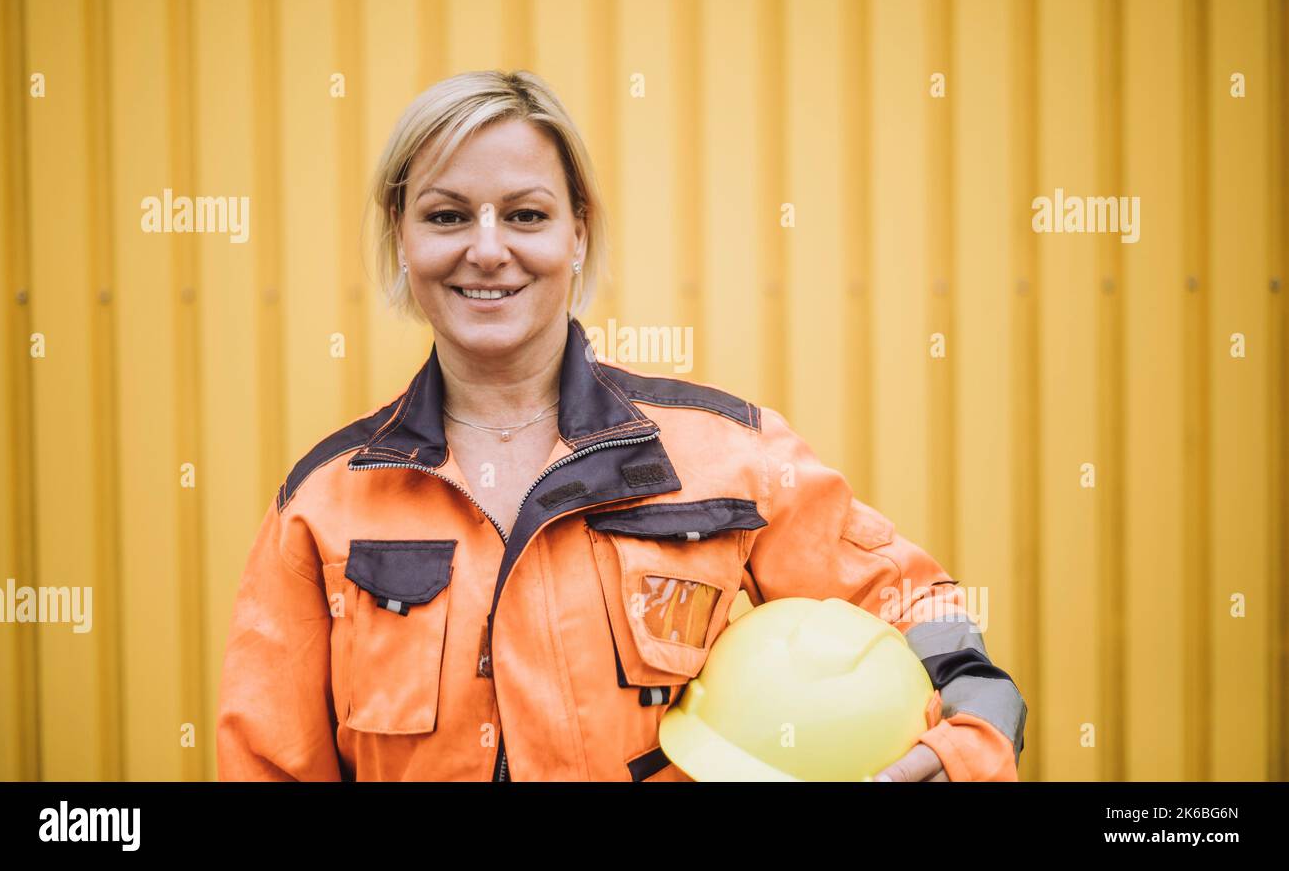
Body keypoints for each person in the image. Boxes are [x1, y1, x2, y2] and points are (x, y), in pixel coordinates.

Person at [215, 69, 1027, 782]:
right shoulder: (326, 504)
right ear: (403, 239)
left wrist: (969, 742)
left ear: (580, 234)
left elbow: (916, 605)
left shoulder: (723, 456)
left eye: (527, 215)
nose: (488, 249)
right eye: (448, 215)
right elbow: (267, 764)